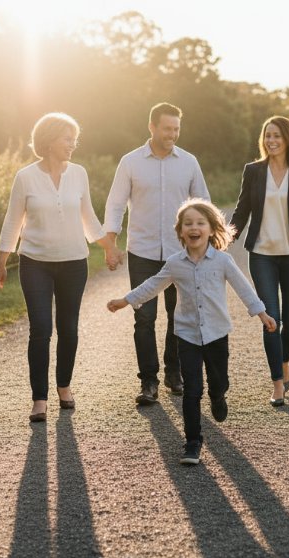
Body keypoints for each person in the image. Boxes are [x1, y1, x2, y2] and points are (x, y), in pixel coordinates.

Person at [108, 199, 276, 465]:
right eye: (188, 224)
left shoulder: (223, 261)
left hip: (217, 333)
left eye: (200, 223)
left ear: (211, 229)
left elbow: (243, 288)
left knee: (219, 382)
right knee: (192, 390)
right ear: (180, 231)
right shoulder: (175, 263)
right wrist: (126, 300)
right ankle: (193, 441)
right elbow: (152, 285)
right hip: (186, 335)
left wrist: (262, 313)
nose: (194, 227)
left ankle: (218, 395)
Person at [0, 112, 118, 422]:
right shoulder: (25, 177)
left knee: (69, 328)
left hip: (74, 262)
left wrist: (109, 248)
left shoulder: (79, 173)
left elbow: (88, 216)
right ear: (48, 141)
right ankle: (39, 399)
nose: (72, 144)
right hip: (35, 263)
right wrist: (1, 262)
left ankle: (63, 386)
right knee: (41, 329)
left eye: (74, 138)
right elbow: (13, 220)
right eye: (67, 138)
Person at [102, 103, 210, 405]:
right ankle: (148, 381)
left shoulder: (188, 162)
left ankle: (174, 373)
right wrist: (110, 244)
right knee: (144, 317)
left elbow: (203, 205)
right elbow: (115, 204)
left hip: (182, 253)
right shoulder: (130, 162)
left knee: (180, 316)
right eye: (167, 129)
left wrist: (205, 244)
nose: (172, 134)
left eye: (176, 129)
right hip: (143, 251)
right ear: (152, 127)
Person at [229, 116, 289, 407]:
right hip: (262, 255)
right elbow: (242, 210)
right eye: (267, 135)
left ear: (288, 139)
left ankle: (283, 361)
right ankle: (277, 383)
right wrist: (224, 238)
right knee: (272, 320)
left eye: (277, 136)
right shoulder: (254, 171)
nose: (271, 140)